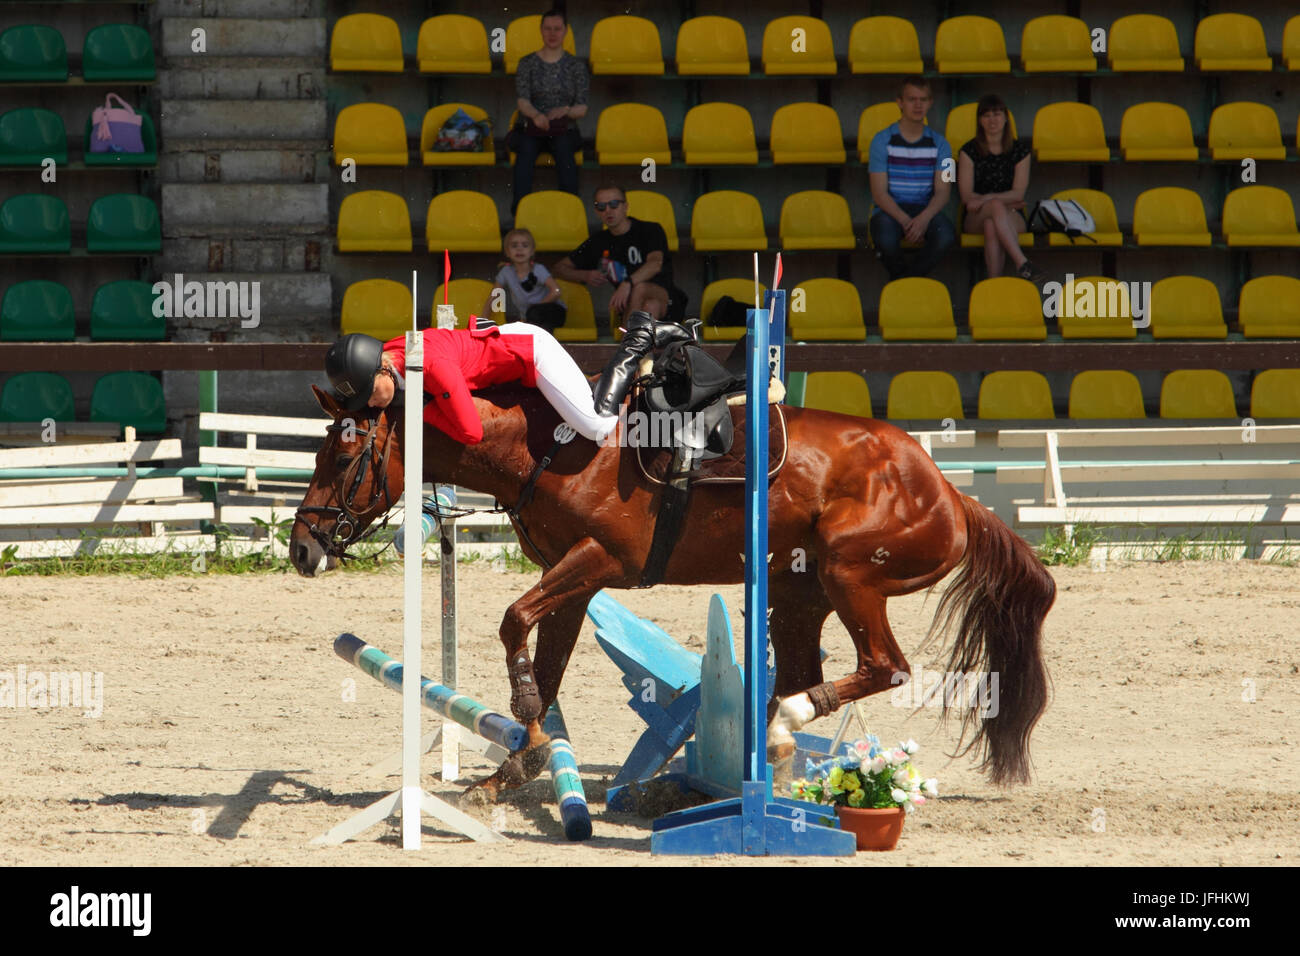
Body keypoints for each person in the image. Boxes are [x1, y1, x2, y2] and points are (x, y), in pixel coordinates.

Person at [324, 323, 615, 446]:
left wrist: (424, 409)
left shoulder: (431, 366)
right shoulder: (390, 352)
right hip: (504, 346)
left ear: (384, 368)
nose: (372, 403)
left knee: (595, 429)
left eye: (371, 393)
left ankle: (633, 348)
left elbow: (472, 432)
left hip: (532, 353)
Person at [553, 182, 694, 416]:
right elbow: (560, 268)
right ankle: (642, 374)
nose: (608, 210)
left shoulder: (650, 230)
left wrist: (628, 284)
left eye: (614, 204)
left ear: (626, 206)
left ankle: (622, 362)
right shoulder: (599, 241)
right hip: (640, 311)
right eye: (601, 206)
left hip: (669, 300)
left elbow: (655, 263)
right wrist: (586, 274)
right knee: (647, 306)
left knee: (641, 291)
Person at [868, 77, 957, 280]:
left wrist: (923, 219)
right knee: (885, 239)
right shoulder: (881, 140)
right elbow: (878, 193)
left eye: (923, 99)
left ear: (930, 103)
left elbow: (944, 192)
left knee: (946, 236)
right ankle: (909, 285)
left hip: (925, 210)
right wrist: (907, 221)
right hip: (890, 210)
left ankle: (904, 283)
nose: (918, 105)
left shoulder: (943, 144)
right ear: (900, 102)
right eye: (912, 99)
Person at [511, 7, 588, 214]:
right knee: (526, 149)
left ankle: (570, 213)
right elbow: (522, 100)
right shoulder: (527, 63)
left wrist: (565, 111)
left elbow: (582, 108)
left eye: (557, 29)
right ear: (541, 31)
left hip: (564, 129)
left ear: (565, 31)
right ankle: (521, 213)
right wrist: (536, 115)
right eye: (548, 29)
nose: (552, 34)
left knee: (564, 148)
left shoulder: (576, 66)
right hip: (532, 127)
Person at [958, 94, 1041, 281]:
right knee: (994, 209)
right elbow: (966, 196)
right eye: (986, 115)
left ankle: (994, 283)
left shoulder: (1020, 151)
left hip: (1012, 215)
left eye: (997, 114)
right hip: (976, 216)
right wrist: (1001, 200)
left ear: (1005, 118)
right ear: (979, 121)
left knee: (991, 224)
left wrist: (985, 198)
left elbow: (1019, 192)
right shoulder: (968, 151)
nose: (992, 120)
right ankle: (1021, 262)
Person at [484, 228, 566, 332]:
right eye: (514, 246)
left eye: (525, 245)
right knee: (535, 323)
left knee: (536, 318)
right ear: (507, 252)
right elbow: (493, 297)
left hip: (553, 311)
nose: (519, 249)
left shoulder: (538, 269)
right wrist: (483, 321)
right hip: (531, 318)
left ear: (532, 251)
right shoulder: (506, 272)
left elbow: (556, 291)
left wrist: (535, 308)